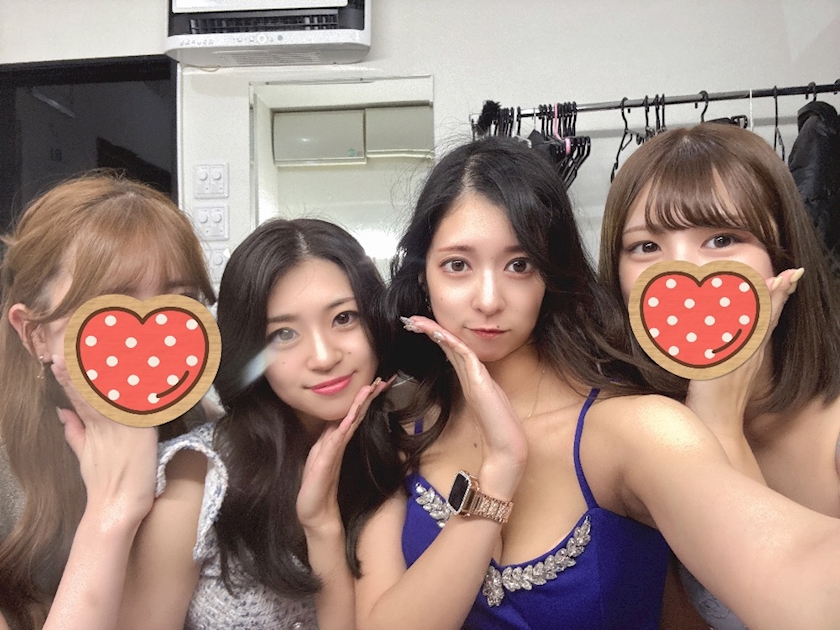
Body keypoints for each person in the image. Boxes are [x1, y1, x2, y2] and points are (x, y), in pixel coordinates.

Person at [352, 135, 840, 630]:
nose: (489, 300)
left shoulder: (636, 427)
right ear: (422, 278)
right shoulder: (397, 428)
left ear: (551, 274)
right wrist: (500, 468)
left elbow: (788, 560)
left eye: (519, 265)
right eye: (457, 265)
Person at [599, 122, 840, 629]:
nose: (682, 270)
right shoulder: (633, 429)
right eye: (645, 247)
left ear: (783, 254)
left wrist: (719, 420)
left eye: (722, 238)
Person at [116, 218, 397, 629]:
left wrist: (323, 527)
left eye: (343, 318)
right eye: (284, 334)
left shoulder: (397, 452)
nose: (324, 357)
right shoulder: (199, 476)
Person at [0, 173, 216, 630]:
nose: (150, 336)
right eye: (110, 306)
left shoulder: (210, 447)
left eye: (179, 301)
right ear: (34, 333)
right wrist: (112, 511)